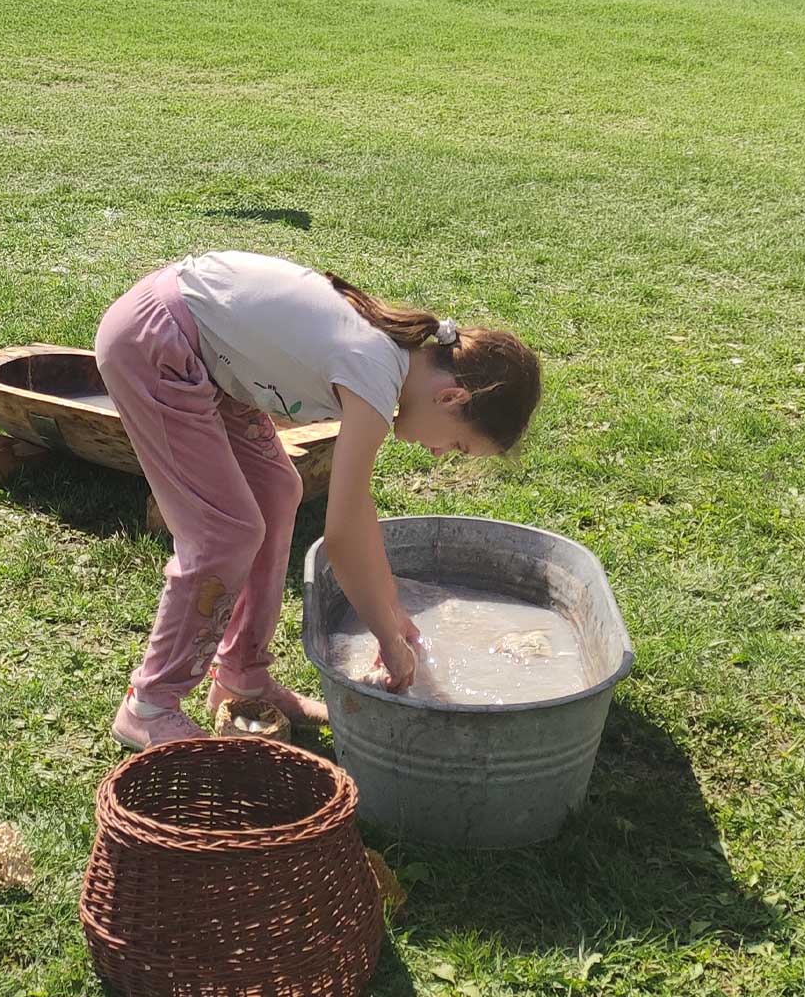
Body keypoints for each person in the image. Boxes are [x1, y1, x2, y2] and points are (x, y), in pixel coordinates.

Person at [95, 251, 542, 750]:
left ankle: (243, 673)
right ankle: (149, 705)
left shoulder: (395, 361)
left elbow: (358, 507)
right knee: (225, 533)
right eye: (456, 445)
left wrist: (391, 610)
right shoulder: (376, 372)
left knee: (277, 490)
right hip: (157, 343)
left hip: (202, 355)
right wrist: (390, 644)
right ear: (452, 399)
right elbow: (343, 535)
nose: (439, 453)